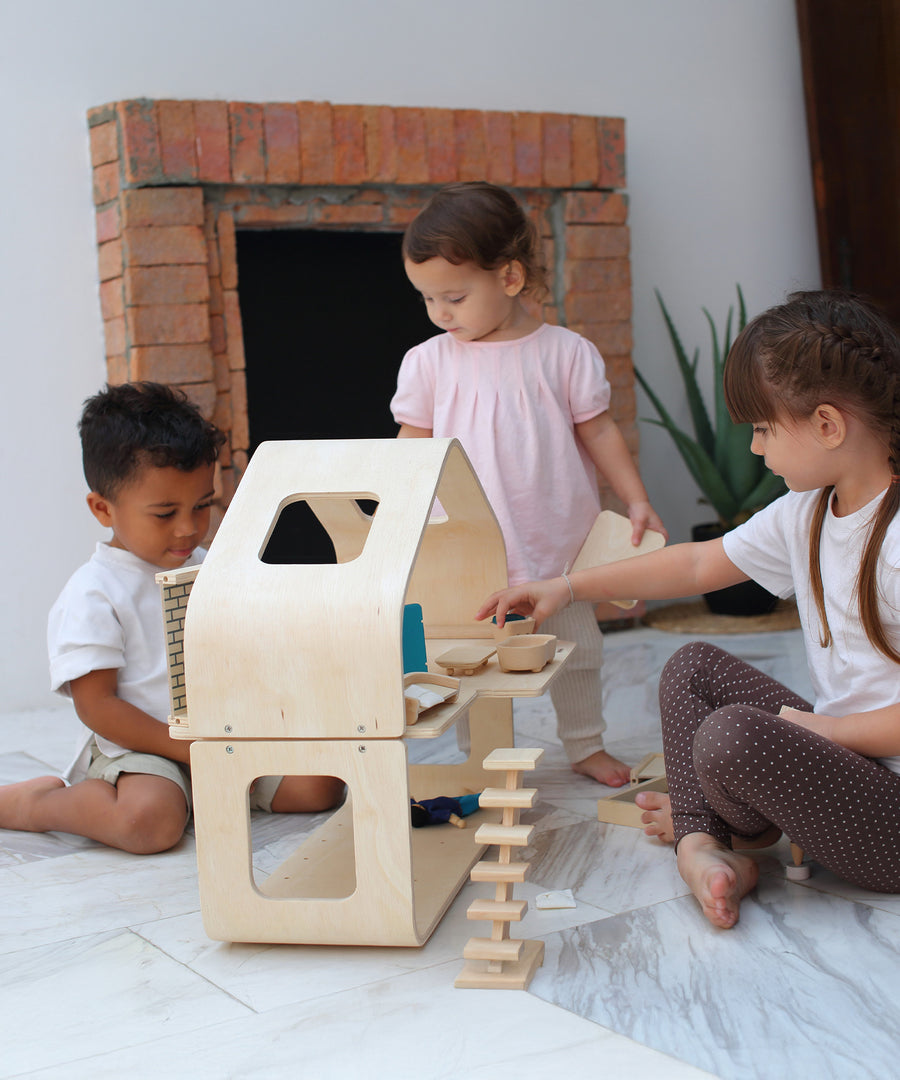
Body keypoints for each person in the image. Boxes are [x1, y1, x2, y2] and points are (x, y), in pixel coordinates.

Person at [477, 289, 900, 929]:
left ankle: (723, 830)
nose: (756, 449)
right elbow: (699, 564)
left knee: (730, 736)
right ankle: (703, 842)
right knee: (693, 667)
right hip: (840, 762)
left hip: (888, 814)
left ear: (827, 424)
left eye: (762, 429)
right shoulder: (808, 511)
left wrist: (824, 732)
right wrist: (564, 587)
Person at [391, 181, 667, 787]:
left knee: (579, 653)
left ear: (510, 278)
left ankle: (585, 745)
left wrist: (636, 497)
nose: (441, 312)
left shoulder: (566, 354)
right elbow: (411, 448)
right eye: (428, 299)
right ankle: (484, 760)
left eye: (455, 296)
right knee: (475, 663)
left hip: (557, 548)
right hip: (468, 550)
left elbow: (598, 433)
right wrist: (394, 515)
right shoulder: (429, 362)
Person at [0, 382, 343, 855]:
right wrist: (187, 750)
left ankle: (200, 794)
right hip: (140, 747)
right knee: (149, 823)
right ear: (103, 509)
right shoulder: (93, 592)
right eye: (164, 514)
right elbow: (97, 706)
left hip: (219, 734)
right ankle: (36, 805)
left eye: (202, 506)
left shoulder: (205, 566)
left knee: (321, 787)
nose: (188, 527)